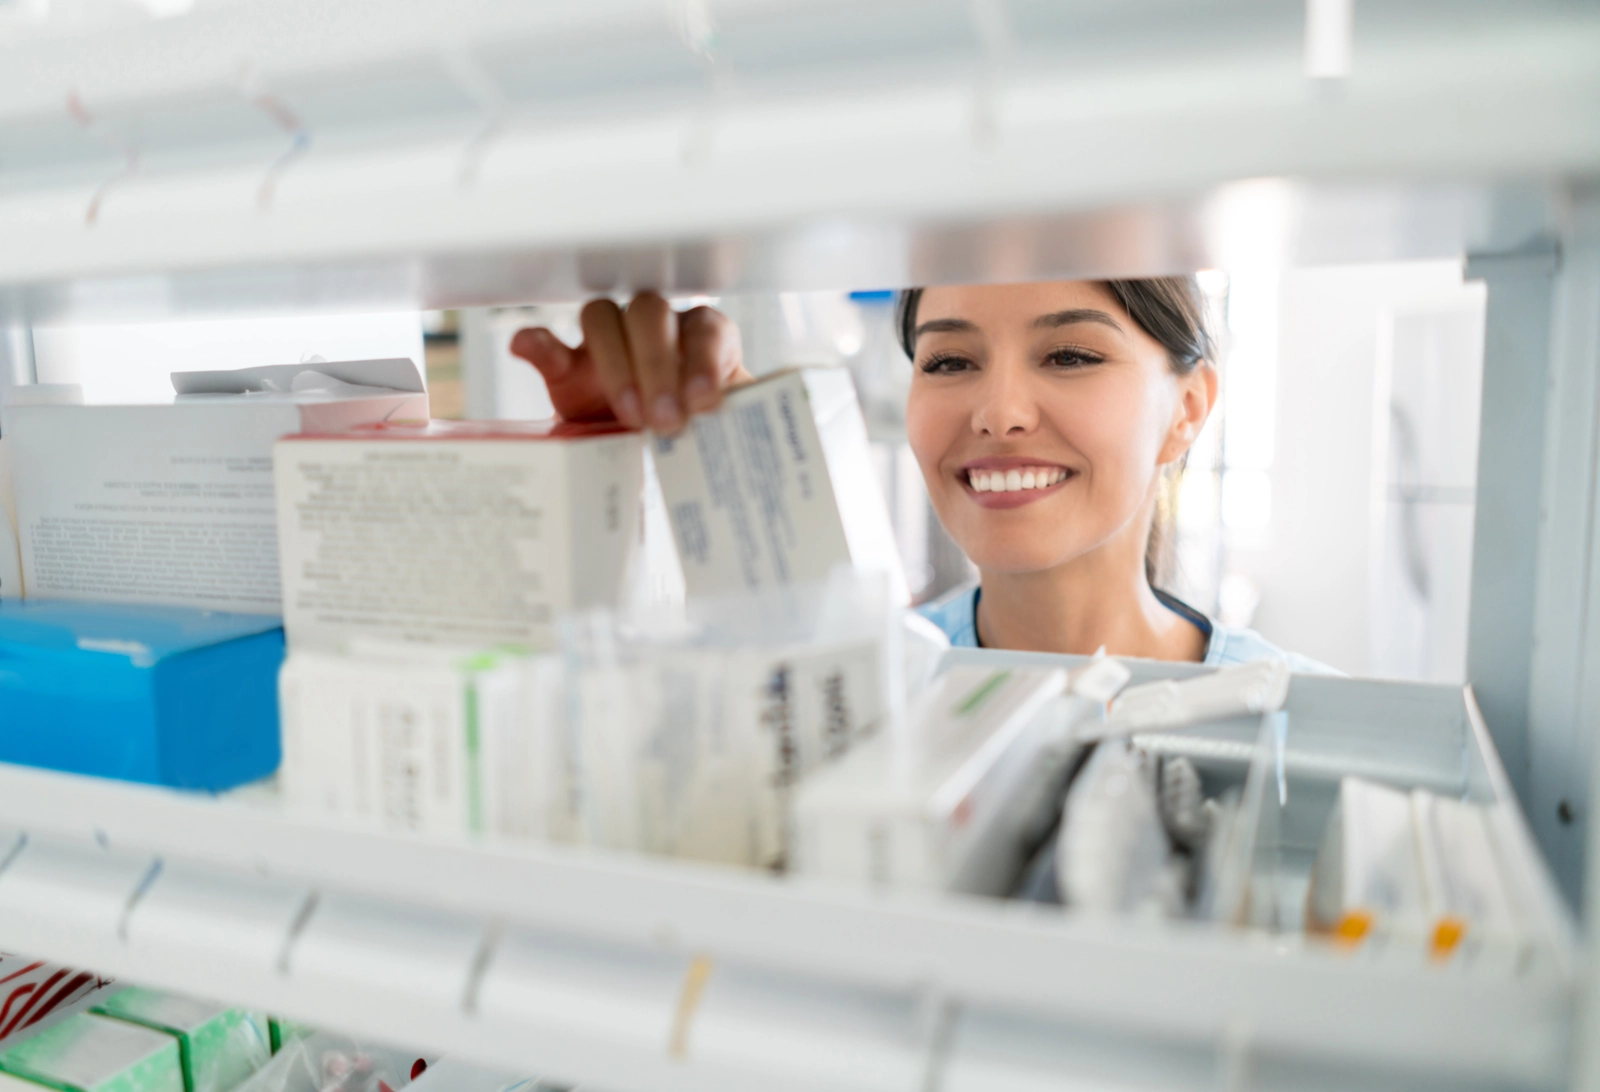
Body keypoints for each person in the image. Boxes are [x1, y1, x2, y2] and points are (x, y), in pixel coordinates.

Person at [510, 279, 1328, 671]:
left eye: (1070, 354)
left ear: (1187, 409)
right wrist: (620, 480)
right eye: (950, 359)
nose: (999, 411)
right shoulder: (870, 679)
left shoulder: (1301, 711)